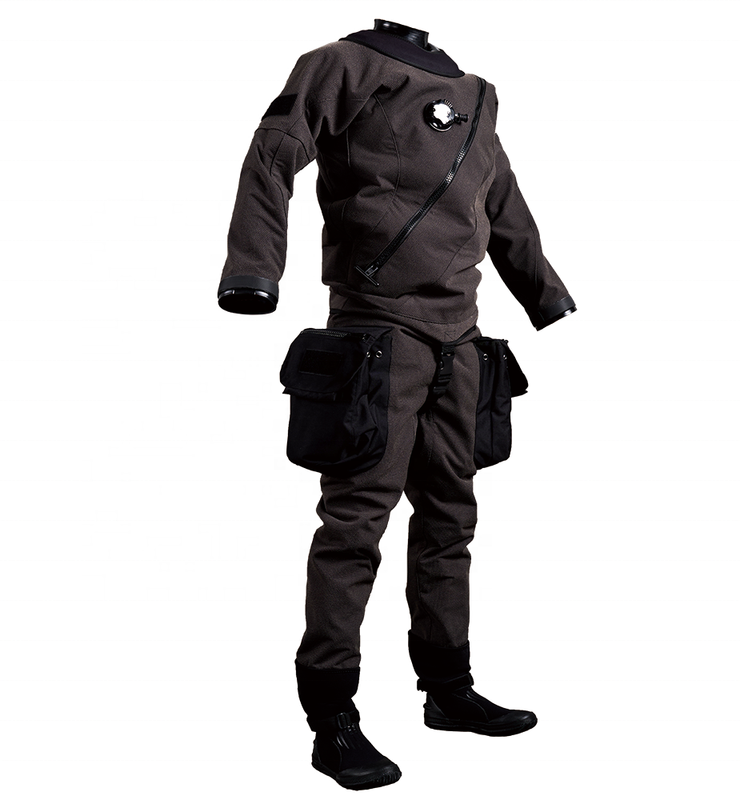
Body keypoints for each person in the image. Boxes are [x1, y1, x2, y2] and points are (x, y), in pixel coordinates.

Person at [217, 19, 576, 791]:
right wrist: (253, 270)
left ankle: (448, 689)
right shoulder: (341, 64)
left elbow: (502, 201)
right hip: (378, 333)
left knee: (451, 520)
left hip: (463, 340)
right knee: (355, 523)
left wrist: (544, 293)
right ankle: (331, 718)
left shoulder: (476, 95)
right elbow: (274, 151)